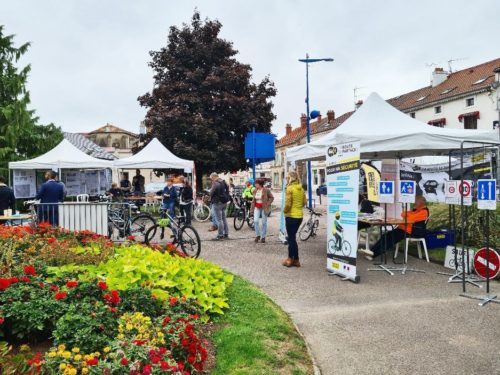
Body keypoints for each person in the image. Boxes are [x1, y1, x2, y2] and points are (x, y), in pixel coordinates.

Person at [360, 195, 429, 260]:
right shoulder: (416, 210)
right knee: (385, 236)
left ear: (421, 203)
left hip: (411, 232)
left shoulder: (424, 212)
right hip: (402, 229)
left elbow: (410, 218)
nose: (414, 203)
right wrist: (409, 215)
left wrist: (409, 215)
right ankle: (371, 251)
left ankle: (374, 254)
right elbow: (403, 213)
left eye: (415, 202)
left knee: (391, 239)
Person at [282, 171, 306, 267]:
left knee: (291, 239)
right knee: (293, 238)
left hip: (291, 216)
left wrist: (285, 211)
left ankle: (291, 259)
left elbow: (288, 204)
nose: (286, 179)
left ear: (290, 178)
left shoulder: (290, 188)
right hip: (299, 216)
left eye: (287, 178)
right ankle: (295, 260)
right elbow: (304, 202)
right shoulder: (301, 189)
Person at [250, 178, 274, 243]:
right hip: (257, 207)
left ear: (260, 184)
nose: (255, 185)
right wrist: (251, 209)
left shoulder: (266, 190)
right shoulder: (255, 190)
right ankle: (258, 235)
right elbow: (253, 200)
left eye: (256, 183)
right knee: (255, 221)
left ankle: (263, 237)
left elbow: (272, 197)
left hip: (264, 208)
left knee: (264, 222)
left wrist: (268, 204)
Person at [209, 172, 230, 240]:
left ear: (213, 177)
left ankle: (220, 235)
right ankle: (226, 234)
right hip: (224, 201)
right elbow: (227, 190)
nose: (211, 180)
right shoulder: (224, 182)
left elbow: (211, 193)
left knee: (219, 220)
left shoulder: (215, 183)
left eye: (211, 178)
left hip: (217, 202)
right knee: (224, 219)